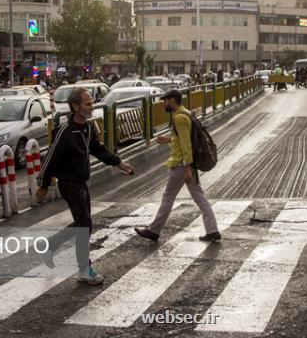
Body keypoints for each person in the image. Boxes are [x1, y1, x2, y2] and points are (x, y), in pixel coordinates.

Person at [36, 88, 135, 285]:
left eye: (91, 103)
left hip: (81, 182)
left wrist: (118, 163)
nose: (91, 107)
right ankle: (84, 269)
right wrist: (44, 185)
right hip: (68, 183)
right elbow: (50, 159)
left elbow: (97, 148)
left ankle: (50, 246)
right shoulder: (65, 131)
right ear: (75, 106)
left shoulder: (88, 128)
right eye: (87, 104)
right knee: (84, 224)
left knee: (84, 223)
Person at [134, 89, 221, 243]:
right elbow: (181, 138)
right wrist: (168, 139)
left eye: (165, 100)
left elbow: (186, 144)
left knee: (168, 197)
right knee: (199, 197)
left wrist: (187, 167)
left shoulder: (179, 117)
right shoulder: (186, 113)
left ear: (173, 101)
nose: (164, 103)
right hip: (187, 164)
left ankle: (154, 231)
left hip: (181, 165)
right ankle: (212, 230)